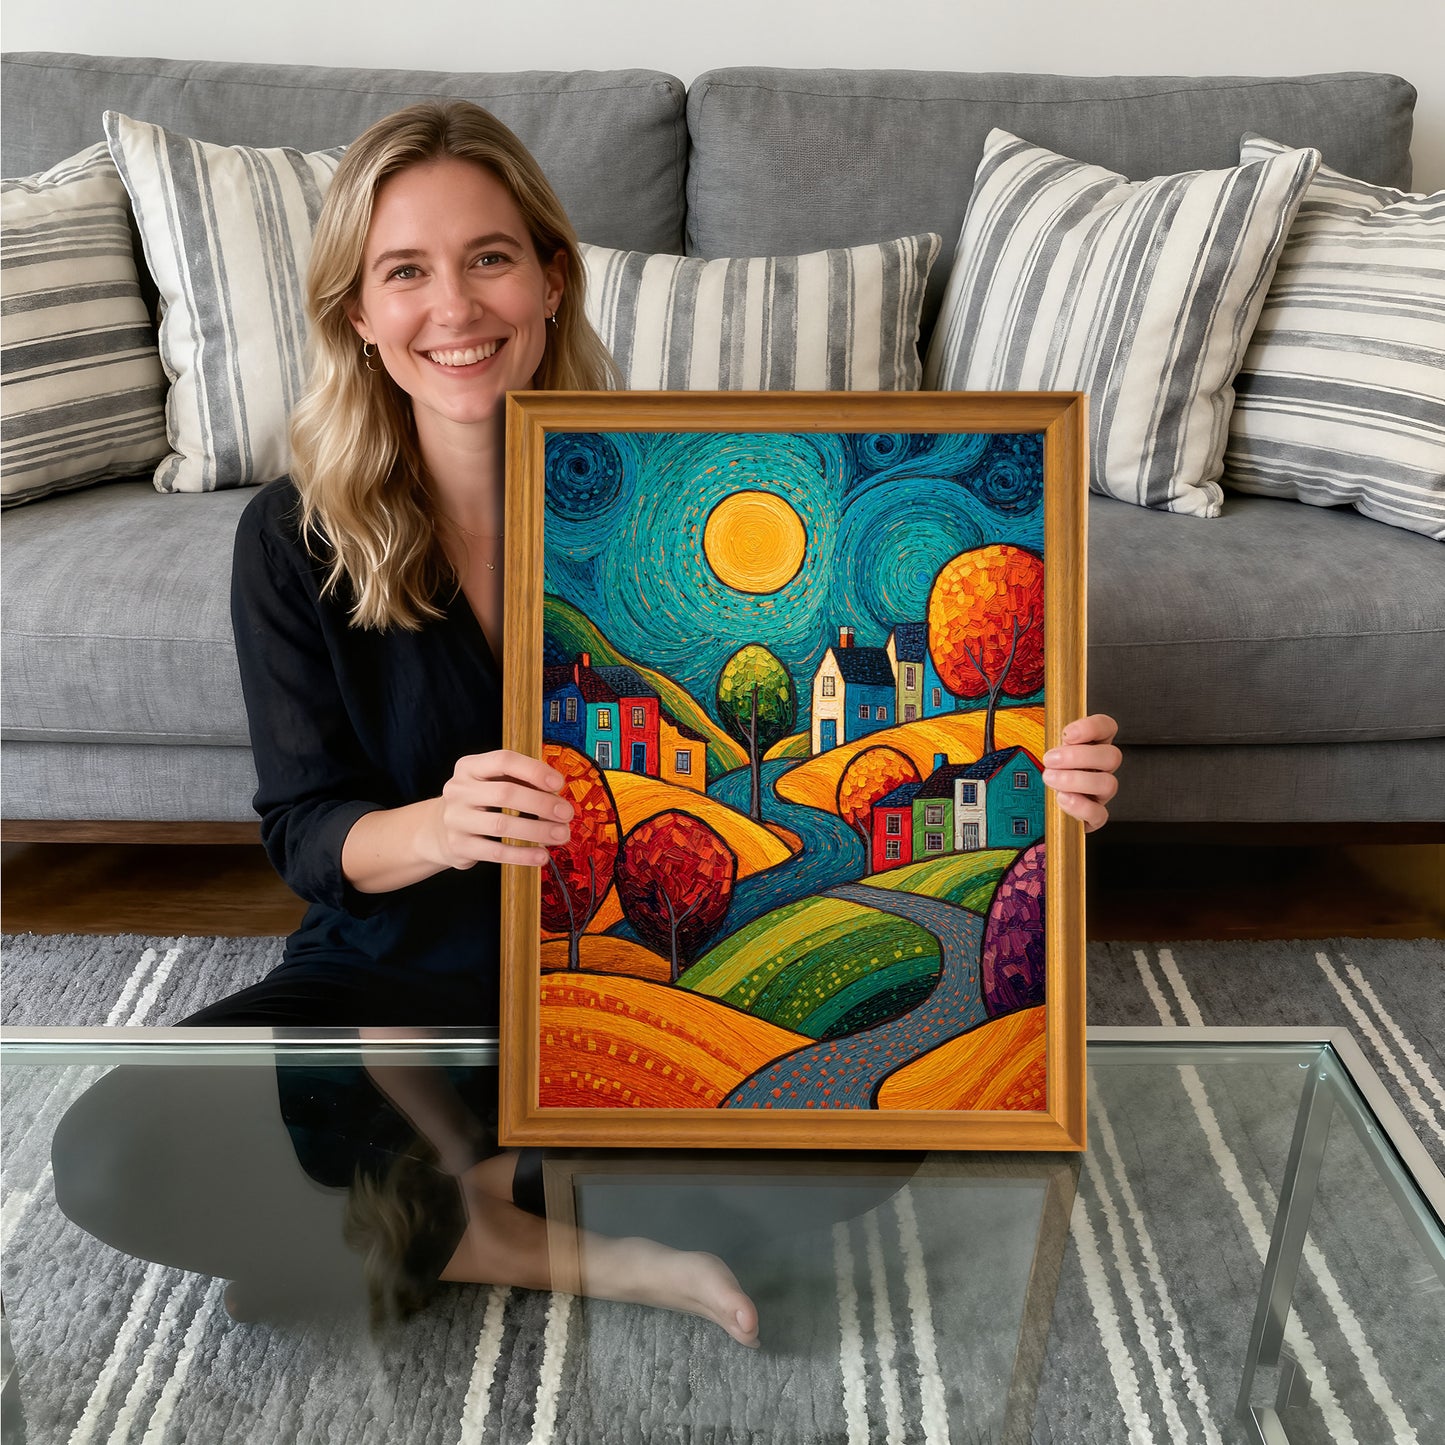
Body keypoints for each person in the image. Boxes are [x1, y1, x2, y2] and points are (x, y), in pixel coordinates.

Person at [53, 100, 1123, 1345]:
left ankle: (418, 1216)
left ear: (550, 279)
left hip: (595, 986)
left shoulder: (638, 489)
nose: (453, 308)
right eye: (405, 271)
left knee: (882, 1126)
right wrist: (440, 825)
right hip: (391, 982)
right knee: (110, 1154)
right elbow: (305, 830)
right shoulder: (293, 537)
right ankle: (546, 1238)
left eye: (489, 258)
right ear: (358, 311)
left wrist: (1048, 779)